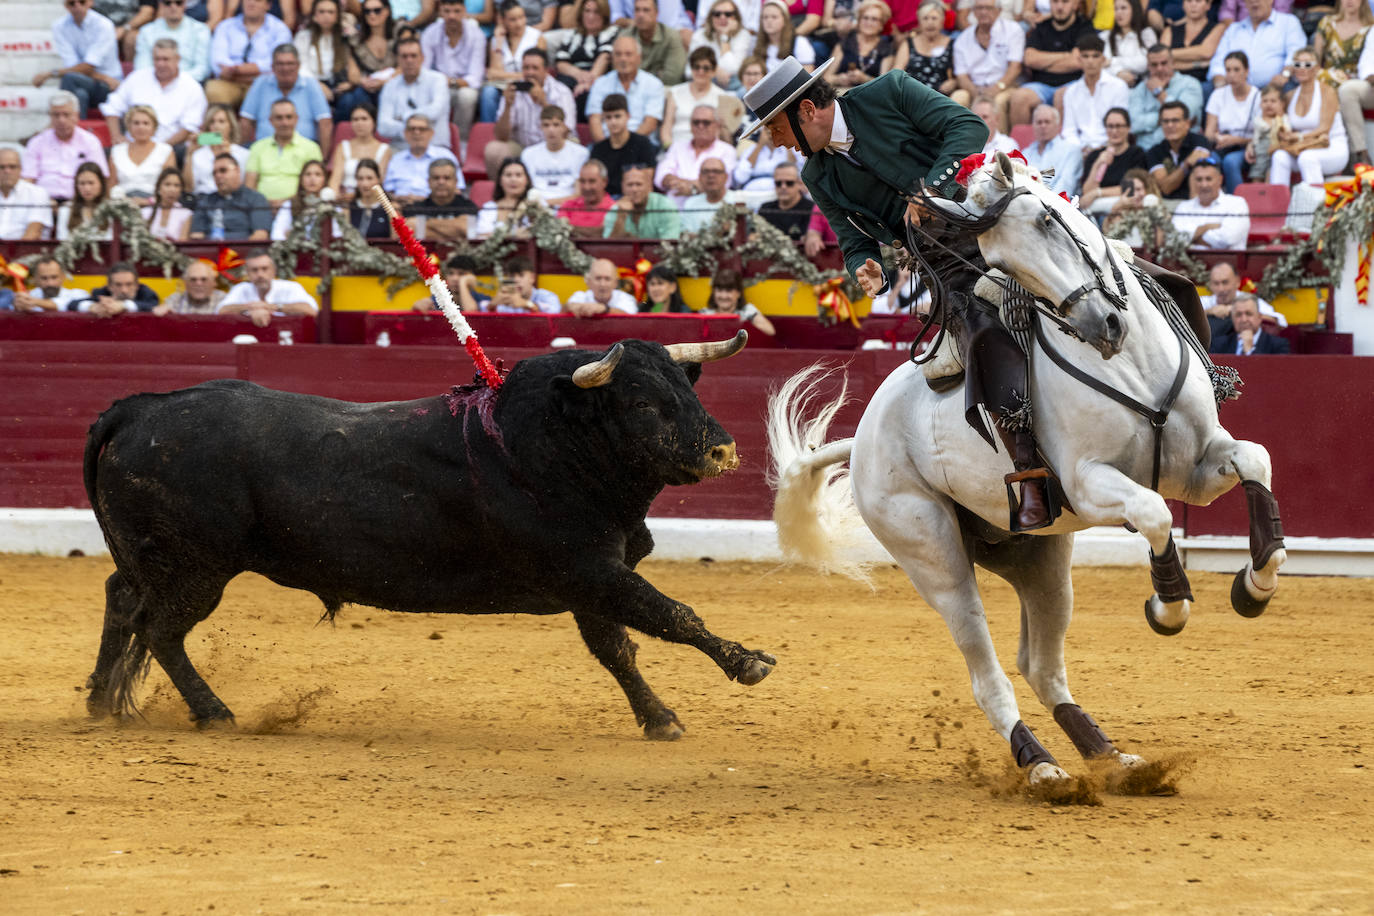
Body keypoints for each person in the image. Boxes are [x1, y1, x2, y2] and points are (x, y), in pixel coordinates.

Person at [743, 58, 1063, 528]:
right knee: (980, 335)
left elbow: (967, 127)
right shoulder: (817, 175)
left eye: (774, 128)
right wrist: (863, 267)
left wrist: (930, 192)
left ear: (806, 109)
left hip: (993, 215)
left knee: (1102, 266)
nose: (775, 142)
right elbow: (852, 239)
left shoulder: (889, 91)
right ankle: (1028, 471)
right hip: (947, 261)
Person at [102, 41, 207, 153]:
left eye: (165, 59)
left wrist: (157, 151)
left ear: (177, 59)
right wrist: (117, 136)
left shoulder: (192, 87)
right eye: (157, 59)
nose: (160, 64)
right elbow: (112, 108)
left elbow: (189, 128)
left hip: (172, 148)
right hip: (131, 146)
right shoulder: (137, 78)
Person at [486, 48, 577, 176]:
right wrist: (507, 106)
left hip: (554, 146)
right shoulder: (513, 90)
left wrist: (543, 102)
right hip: (523, 148)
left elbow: (567, 132)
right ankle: (503, 194)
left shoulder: (561, 92)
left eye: (535, 68)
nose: (530, 73)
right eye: (526, 68)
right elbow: (501, 136)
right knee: (494, 150)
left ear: (546, 70)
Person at [1269, 47, 1349, 186]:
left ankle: (1315, 205)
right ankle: (1279, 204)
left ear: (1317, 68)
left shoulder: (1327, 91)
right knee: (1279, 157)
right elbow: (1278, 120)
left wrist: (1298, 137)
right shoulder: (1290, 95)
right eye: (1297, 64)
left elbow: (1324, 129)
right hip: (1303, 147)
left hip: (1332, 147)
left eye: (1307, 64)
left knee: (1307, 158)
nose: (1301, 68)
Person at [1009, 0, 1094, 127]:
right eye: (1055, 2)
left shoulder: (1084, 27)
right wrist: (1066, 55)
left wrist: (1043, 62)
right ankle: (1021, 145)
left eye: (1065, 2)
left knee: (1062, 96)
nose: (1059, 7)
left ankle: (1061, 145)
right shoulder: (1041, 26)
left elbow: (1077, 62)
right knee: (1019, 97)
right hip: (1041, 85)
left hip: (1073, 83)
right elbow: (1030, 59)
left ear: (1075, 5)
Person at [34, 0, 123, 118]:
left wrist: (51, 73)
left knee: (70, 79)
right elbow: (77, 67)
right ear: (66, 5)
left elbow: (86, 67)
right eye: (72, 3)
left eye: (82, 2)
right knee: (80, 94)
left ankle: (63, 128)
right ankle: (75, 129)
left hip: (108, 87)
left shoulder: (103, 25)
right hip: (98, 80)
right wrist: (102, 77)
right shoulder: (60, 26)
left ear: (90, 2)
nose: (77, 6)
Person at [239, 44, 333, 148]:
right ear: (272, 67)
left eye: (290, 63)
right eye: (280, 64)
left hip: (303, 150)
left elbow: (325, 123)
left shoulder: (310, 85)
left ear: (298, 65)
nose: (285, 68)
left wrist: (323, 160)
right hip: (264, 149)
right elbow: (246, 120)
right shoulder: (260, 83)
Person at [22, 92, 109, 202]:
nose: (61, 120)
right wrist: (43, 201)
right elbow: (28, 179)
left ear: (76, 116)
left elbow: (99, 178)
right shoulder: (37, 142)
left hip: (79, 203)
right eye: (56, 115)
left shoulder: (90, 142)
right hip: (43, 203)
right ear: (50, 117)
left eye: (66, 115)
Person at [952, 0, 1024, 132]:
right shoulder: (963, 38)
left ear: (999, 11)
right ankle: (960, 146)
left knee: (998, 101)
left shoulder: (1013, 30)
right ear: (973, 12)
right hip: (974, 88)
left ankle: (1001, 148)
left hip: (1005, 86)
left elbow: (1015, 67)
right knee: (958, 97)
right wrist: (977, 93)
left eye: (989, 8)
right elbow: (961, 76)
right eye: (979, 8)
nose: (983, 12)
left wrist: (997, 88)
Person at [206, 0, 294, 108]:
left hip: (263, 83)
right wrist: (245, 72)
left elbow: (276, 63)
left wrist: (237, 70)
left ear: (268, 5)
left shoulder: (280, 29)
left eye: (257, 0)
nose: (251, 3)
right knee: (214, 91)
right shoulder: (225, 26)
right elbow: (218, 61)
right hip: (229, 81)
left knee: (270, 92)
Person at [1206, 0, 1306, 91]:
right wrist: (1219, 79)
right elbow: (1218, 60)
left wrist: (1285, 75)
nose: (1254, 2)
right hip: (1236, 88)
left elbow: (1296, 54)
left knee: (1289, 87)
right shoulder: (1234, 29)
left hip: (1274, 88)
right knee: (1208, 89)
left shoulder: (1288, 22)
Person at [422, 0, 487, 138]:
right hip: (438, 84)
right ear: (440, 11)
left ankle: (460, 139)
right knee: (426, 91)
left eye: (456, 11)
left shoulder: (477, 35)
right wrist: (441, 82)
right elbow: (424, 70)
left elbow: (475, 78)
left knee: (467, 96)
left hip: (462, 86)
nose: (452, 16)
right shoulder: (430, 33)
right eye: (447, 11)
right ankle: (434, 138)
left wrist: (450, 82)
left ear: (464, 11)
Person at [586, 34, 667, 141]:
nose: (623, 59)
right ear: (612, 58)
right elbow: (595, 121)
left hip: (641, 145)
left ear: (639, 57)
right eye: (618, 54)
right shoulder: (600, 83)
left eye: (628, 54)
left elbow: (650, 124)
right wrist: (606, 148)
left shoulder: (653, 84)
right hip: (607, 144)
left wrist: (625, 148)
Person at [480, 0, 549, 122]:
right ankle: (488, 131)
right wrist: (499, 42)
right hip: (503, 86)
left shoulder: (536, 37)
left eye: (521, 17)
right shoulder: (497, 40)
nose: (519, 23)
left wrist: (508, 76)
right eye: (513, 20)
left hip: (528, 84)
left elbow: (538, 73)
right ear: (503, 20)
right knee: (488, 92)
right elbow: (492, 74)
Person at [662, 48, 745, 148]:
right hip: (677, 146)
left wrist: (723, 126)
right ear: (691, 69)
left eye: (706, 68)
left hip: (708, 150)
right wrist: (669, 148)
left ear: (714, 71)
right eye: (696, 67)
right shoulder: (675, 92)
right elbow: (666, 127)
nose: (700, 71)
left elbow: (725, 138)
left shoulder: (722, 97)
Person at [1059, 33, 1130, 151]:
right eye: (1085, 56)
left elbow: (1121, 125)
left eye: (1095, 56)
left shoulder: (1118, 86)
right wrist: (1082, 148)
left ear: (1103, 59)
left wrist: (1101, 150)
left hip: (1110, 148)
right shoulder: (1071, 92)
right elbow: (1068, 131)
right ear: (1079, 60)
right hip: (1079, 151)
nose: (1090, 61)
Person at [378, 37, 452, 148]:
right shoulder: (390, 86)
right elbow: (383, 126)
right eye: (404, 56)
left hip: (435, 148)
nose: (409, 60)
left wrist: (404, 117)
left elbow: (435, 111)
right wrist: (413, 127)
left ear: (422, 58)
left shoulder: (438, 80)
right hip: (401, 149)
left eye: (413, 55)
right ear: (397, 60)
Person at [246, 99, 325, 203]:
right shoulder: (257, 147)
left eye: (289, 117)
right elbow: (250, 184)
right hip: (262, 207)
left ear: (296, 119)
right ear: (271, 120)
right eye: (279, 118)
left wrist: (285, 203)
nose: (285, 123)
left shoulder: (311, 148)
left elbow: (316, 184)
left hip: (298, 207)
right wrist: (261, 204)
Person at [655, 106, 738, 203]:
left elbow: (722, 182)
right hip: (674, 208)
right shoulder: (677, 147)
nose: (700, 126)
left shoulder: (727, 150)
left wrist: (691, 188)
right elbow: (661, 175)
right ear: (690, 125)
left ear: (717, 125)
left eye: (706, 123)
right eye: (696, 122)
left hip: (707, 208)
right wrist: (688, 185)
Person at [217, 249, 319, 327]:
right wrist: (252, 307)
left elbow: (310, 310)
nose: (260, 274)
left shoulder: (290, 287)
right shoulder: (241, 288)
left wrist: (272, 307)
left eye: (264, 269)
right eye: (254, 270)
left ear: (273, 271)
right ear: (247, 273)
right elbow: (221, 311)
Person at [1127, 45, 1202, 151]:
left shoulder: (1190, 84)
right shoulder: (1141, 89)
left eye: (1164, 63)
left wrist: (1159, 93)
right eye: (1154, 65)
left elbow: (1186, 115)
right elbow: (1133, 124)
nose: (1159, 68)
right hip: (1145, 150)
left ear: (1173, 63)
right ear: (1148, 66)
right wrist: (1164, 119)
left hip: (1181, 148)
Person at [1204, 51, 1260, 190]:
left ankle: (1238, 204)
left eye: (1236, 70)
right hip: (1223, 145)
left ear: (1246, 71)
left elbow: (1262, 136)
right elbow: (1208, 133)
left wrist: (1236, 140)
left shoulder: (1258, 96)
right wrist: (1217, 137)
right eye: (1228, 70)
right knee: (1210, 161)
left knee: (1230, 162)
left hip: (1249, 147)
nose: (1232, 75)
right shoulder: (1218, 95)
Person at [554, 0, 619, 118]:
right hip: (573, 75)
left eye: (596, 12)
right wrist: (579, 74)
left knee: (586, 93)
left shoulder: (612, 32)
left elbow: (605, 57)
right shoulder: (572, 34)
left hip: (597, 76)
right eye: (587, 11)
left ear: (604, 15)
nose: (591, 16)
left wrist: (589, 81)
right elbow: (560, 62)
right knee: (560, 89)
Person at [1080, 107, 1149, 213]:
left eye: (1119, 126)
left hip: (1125, 206)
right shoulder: (1095, 155)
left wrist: (1097, 193)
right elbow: (1087, 193)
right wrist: (1097, 164)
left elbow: (1131, 188)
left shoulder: (1137, 154)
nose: (1114, 131)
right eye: (1110, 126)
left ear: (1128, 128)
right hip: (1096, 209)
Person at [190, 152, 273, 239]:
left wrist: (229, 252)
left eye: (223, 170)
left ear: (237, 170)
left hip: (244, 251)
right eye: (214, 173)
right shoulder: (205, 201)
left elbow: (260, 235)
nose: (218, 175)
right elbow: (196, 235)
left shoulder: (255, 199)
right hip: (210, 251)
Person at [295, 0, 358, 115]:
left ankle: (339, 130)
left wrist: (350, 84)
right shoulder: (303, 36)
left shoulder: (345, 36)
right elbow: (300, 67)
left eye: (330, 12)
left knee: (349, 99)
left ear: (337, 15)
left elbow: (354, 63)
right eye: (322, 12)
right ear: (315, 15)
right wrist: (318, 85)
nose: (326, 16)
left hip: (337, 84)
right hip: (312, 84)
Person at [1171, 157, 1249, 248]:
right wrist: (1206, 227)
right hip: (1187, 261)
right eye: (1199, 179)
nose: (1204, 185)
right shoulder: (1183, 207)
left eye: (1208, 179)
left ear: (1220, 180)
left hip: (1228, 261)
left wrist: (1192, 237)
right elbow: (1173, 239)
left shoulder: (1237, 204)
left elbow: (1227, 239)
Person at [894, 1, 963, 105]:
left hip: (942, 99)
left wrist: (954, 83)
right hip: (912, 97)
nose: (930, 23)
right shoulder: (908, 44)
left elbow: (960, 75)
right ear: (919, 22)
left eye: (934, 18)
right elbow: (896, 74)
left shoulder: (952, 44)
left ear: (942, 21)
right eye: (925, 18)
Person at [588, 93, 658, 194]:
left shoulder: (642, 144)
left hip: (635, 200)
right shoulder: (598, 149)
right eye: (608, 117)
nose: (613, 122)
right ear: (603, 119)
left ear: (628, 116)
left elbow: (646, 183)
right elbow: (596, 185)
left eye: (617, 116)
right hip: (607, 202)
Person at [340, 0, 401, 116]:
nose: (372, 14)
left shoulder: (399, 32)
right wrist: (364, 81)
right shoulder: (356, 41)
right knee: (357, 94)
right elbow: (353, 74)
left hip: (395, 83)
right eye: (367, 11)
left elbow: (406, 66)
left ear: (387, 11)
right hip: (368, 87)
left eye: (377, 10)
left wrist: (385, 82)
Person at [385, 114, 461, 203]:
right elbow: (387, 191)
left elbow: (457, 190)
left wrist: (427, 201)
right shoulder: (396, 159)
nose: (416, 133)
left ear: (431, 133)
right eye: (412, 129)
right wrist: (398, 198)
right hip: (402, 208)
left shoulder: (445, 155)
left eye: (422, 129)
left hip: (434, 208)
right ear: (405, 133)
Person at [108, 107, 178, 203]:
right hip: (122, 203)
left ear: (154, 127)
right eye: (136, 123)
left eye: (146, 123)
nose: (141, 127)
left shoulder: (165, 150)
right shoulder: (117, 151)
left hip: (154, 204)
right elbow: (112, 185)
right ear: (129, 126)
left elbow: (169, 185)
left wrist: (148, 201)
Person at [521, 105, 591, 201]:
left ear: (564, 126)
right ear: (540, 127)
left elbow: (579, 193)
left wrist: (548, 203)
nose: (551, 130)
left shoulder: (581, 154)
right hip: (535, 208)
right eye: (546, 125)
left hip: (569, 207)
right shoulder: (528, 154)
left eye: (556, 125)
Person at [133, 0, 213, 82]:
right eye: (167, 3)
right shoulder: (146, 31)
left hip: (189, 84)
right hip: (153, 84)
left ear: (185, 4)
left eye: (178, 3)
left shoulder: (200, 30)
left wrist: (174, 81)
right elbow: (141, 67)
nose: (173, 7)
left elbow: (202, 69)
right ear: (161, 5)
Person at [1146, 98, 1211, 199]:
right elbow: (1166, 188)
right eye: (1165, 121)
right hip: (1167, 205)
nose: (1170, 125)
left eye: (1175, 120)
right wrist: (1186, 164)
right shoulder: (1154, 152)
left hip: (1196, 203)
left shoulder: (1200, 142)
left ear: (1187, 124)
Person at [327, 104, 393, 201]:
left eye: (364, 119)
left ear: (374, 122)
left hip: (371, 200)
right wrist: (335, 196)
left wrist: (355, 196)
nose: (359, 123)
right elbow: (335, 179)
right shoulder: (343, 146)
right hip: (344, 199)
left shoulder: (384, 149)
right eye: (355, 119)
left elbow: (380, 181)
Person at [184, 104, 252, 196]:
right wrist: (189, 154)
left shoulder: (244, 154)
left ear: (230, 126)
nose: (216, 126)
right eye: (212, 122)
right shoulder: (198, 154)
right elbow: (188, 188)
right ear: (208, 127)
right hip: (203, 200)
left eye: (221, 121)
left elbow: (243, 185)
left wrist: (229, 156)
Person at [404, 158, 480, 239]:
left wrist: (425, 223)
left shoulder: (468, 206)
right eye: (436, 178)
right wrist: (456, 228)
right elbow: (411, 230)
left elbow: (468, 230)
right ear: (429, 182)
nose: (441, 182)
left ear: (456, 182)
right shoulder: (415, 208)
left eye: (446, 178)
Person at [829, 0, 894, 89]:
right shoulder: (845, 43)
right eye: (865, 18)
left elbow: (886, 85)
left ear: (881, 25)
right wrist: (839, 79)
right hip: (842, 95)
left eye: (874, 19)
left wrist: (865, 79)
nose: (869, 23)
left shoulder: (886, 48)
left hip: (870, 98)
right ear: (859, 21)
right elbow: (826, 77)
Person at [470, 157, 542, 238]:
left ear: (527, 180)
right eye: (508, 175)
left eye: (518, 175)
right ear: (500, 181)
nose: (513, 179)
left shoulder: (537, 204)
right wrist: (512, 234)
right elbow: (481, 236)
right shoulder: (489, 207)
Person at [622, 0, 688, 87]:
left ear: (656, 13)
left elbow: (672, 77)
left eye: (646, 10)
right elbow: (621, 71)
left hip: (664, 89)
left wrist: (636, 75)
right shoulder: (625, 36)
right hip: (631, 88)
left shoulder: (671, 37)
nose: (640, 15)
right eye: (637, 10)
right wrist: (657, 73)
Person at [689, 0, 753, 88]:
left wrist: (725, 36)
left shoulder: (743, 35)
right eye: (717, 14)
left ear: (736, 17)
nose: (722, 17)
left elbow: (732, 69)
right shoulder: (699, 35)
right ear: (711, 17)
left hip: (732, 86)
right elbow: (689, 71)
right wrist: (716, 70)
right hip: (705, 85)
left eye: (728, 14)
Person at [604, 163, 681, 237]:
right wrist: (621, 217)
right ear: (622, 187)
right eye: (629, 185)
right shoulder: (616, 209)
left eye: (639, 184)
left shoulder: (665, 206)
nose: (634, 189)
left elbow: (669, 244)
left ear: (649, 186)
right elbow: (609, 247)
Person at [1160, 0, 1223, 87]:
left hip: (1202, 83)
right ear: (1183, 5)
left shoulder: (1218, 28)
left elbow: (1205, 52)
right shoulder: (1169, 30)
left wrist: (1171, 54)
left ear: (1208, 5)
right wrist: (1197, 64)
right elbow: (1162, 58)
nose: (1193, 5)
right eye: (1189, 1)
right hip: (1171, 82)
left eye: (1198, 1)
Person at [1022, 104, 1084, 193]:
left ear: (1058, 125)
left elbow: (1066, 186)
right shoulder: (1026, 153)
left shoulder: (1071, 151)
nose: (1043, 126)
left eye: (1047, 122)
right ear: (1033, 126)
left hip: (1057, 204)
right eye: (1039, 122)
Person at [699, 266, 775, 334]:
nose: (724, 296)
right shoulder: (705, 314)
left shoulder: (748, 311)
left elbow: (770, 331)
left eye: (729, 291)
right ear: (714, 292)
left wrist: (744, 324)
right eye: (719, 290)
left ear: (738, 293)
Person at [269, 159, 332, 239]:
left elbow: (338, 234)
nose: (312, 179)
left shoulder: (331, 206)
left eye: (318, 174)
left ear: (324, 180)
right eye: (308, 174)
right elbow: (277, 234)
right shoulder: (290, 204)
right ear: (301, 179)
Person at [0, 150, 54, 241]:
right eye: (1, 167)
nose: (7, 171)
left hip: (23, 252)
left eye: (12, 167)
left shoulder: (37, 193)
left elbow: (33, 233)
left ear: (20, 169)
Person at [71, 262, 162, 315]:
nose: (124, 290)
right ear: (109, 286)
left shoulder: (146, 293)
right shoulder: (101, 293)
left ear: (137, 285)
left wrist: (123, 305)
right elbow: (72, 304)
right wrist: (92, 307)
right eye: (118, 285)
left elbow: (152, 304)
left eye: (129, 284)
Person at [1209, 294, 1289, 353]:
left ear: (1259, 317)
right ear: (1232, 319)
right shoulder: (1219, 344)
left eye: (1249, 314)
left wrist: (1250, 350)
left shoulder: (1278, 345)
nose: (1244, 319)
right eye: (1238, 315)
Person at [1103, 0, 1157, 87]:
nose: (1118, 13)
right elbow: (1102, 64)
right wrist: (1118, 73)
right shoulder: (1106, 36)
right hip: (1112, 86)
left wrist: (1112, 61)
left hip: (1140, 86)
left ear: (1135, 10)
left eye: (1123, 8)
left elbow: (1145, 62)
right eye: (1116, 9)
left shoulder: (1146, 33)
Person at [557, 160, 617, 236]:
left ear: (604, 182)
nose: (586, 187)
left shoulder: (614, 208)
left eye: (592, 181)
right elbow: (559, 231)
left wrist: (571, 229)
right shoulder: (567, 206)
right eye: (582, 181)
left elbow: (604, 235)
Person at [56, 161, 113, 241]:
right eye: (82, 183)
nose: (87, 188)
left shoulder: (111, 210)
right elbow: (62, 240)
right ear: (76, 185)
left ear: (101, 184)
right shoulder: (66, 210)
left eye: (91, 183)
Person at [680, 157, 740, 232]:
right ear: (699, 177)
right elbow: (686, 235)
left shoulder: (738, 200)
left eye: (716, 171)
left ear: (726, 177)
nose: (711, 176)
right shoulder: (690, 203)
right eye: (706, 171)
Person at [754, 0, 815, 74]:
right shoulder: (757, 43)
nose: (769, 21)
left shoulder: (799, 42)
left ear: (785, 20)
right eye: (765, 17)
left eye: (774, 17)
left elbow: (808, 75)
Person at [757, 162, 815, 239]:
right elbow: (754, 236)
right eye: (778, 183)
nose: (783, 187)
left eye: (789, 183)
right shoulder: (765, 209)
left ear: (799, 184)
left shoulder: (812, 210)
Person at [413, 254, 490, 312]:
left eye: (461, 274)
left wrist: (463, 284)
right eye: (451, 273)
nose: (455, 278)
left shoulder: (483, 299)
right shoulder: (438, 299)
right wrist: (416, 308)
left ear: (472, 277)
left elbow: (471, 313)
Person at [10, 257, 87, 313]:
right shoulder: (30, 295)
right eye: (44, 278)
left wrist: (31, 302)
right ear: (35, 279)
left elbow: (65, 304)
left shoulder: (78, 294)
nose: (50, 283)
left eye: (54, 277)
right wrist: (18, 305)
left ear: (63, 277)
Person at [489, 255, 562, 312]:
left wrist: (526, 304)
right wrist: (492, 306)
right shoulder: (505, 299)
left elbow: (555, 310)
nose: (516, 280)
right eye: (511, 276)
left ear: (532, 278)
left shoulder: (546, 296)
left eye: (521, 275)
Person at [567, 257, 639, 314]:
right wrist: (570, 307)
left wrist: (604, 309)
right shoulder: (580, 296)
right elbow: (562, 311)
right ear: (589, 282)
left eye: (607, 279)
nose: (602, 284)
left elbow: (630, 318)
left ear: (616, 283)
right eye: (598, 278)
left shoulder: (626, 299)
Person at [156, 259, 227, 314]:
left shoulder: (224, 300)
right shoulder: (176, 299)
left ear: (214, 282)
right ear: (185, 282)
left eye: (204, 279)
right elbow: (159, 312)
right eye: (193, 279)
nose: (198, 283)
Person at [144, 167, 194, 240]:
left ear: (181, 191)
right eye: (167, 184)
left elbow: (183, 241)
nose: (172, 190)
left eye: (176, 185)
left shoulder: (186, 214)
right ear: (158, 188)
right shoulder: (145, 212)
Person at [347, 159, 393, 237]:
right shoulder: (348, 208)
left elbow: (395, 241)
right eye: (360, 179)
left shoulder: (391, 208)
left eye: (369, 178)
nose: (365, 184)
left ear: (379, 179)